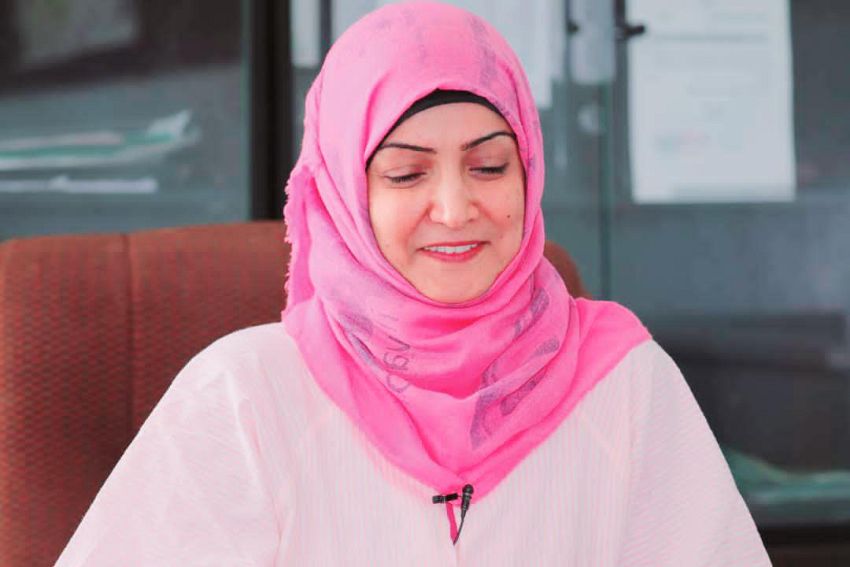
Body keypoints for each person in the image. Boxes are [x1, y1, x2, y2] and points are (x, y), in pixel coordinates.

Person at [56, 2, 770, 564]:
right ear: (345, 193)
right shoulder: (245, 395)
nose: (455, 209)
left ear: (529, 172)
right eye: (405, 173)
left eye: (489, 166)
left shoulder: (625, 383)